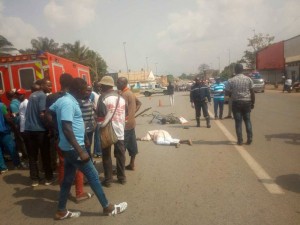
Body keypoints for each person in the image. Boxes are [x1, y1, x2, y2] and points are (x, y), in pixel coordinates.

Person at [49, 78, 127, 219]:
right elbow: (67, 128)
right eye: (85, 90)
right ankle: (107, 207)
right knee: (93, 177)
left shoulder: (64, 99)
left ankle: (61, 210)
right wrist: (80, 150)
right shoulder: (67, 102)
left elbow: (49, 113)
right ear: (78, 90)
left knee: (67, 179)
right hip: (74, 149)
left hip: (69, 148)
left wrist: (59, 130)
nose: (87, 92)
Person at [46, 74, 93, 203]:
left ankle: (64, 193)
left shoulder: (52, 97)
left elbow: (47, 115)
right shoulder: (72, 98)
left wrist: (56, 128)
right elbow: (76, 122)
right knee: (78, 165)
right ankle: (79, 193)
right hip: (73, 139)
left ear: (59, 82)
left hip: (59, 138)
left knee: (62, 165)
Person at [96, 76, 127, 187]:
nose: (100, 87)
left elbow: (100, 117)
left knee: (106, 155)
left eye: (101, 85)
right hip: (120, 129)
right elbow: (125, 114)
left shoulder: (103, 98)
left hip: (107, 130)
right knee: (120, 155)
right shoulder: (121, 98)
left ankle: (108, 180)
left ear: (104, 86)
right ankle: (122, 178)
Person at [24, 78, 54, 186]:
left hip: (28, 130)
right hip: (40, 131)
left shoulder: (32, 95)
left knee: (32, 156)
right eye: (48, 85)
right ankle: (49, 178)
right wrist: (50, 127)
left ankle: (35, 179)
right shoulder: (42, 96)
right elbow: (42, 114)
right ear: (42, 85)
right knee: (45, 154)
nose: (50, 87)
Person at [226, 64, 255, 145]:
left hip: (236, 103)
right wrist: (252, 103)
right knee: (247, 120)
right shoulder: (248, 79)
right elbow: (252, 92)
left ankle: (240, 140)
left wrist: (232, 93)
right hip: (247, 102)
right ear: (242, 70)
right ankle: (249, 138)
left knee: (238, 122)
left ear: (235, 70)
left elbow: (226, 92)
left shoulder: (231, 80)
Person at [117, 77, 142, 171]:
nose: (117, 84)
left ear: (123, 84)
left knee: (121, 148)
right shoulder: (130, 93)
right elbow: (139, 103)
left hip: (125, 125)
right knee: (132, 145)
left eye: (118, 83)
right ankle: (132, 164)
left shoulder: (124, 95)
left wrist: (130, 114)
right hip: (131, 123)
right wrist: (133, 113)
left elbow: (122, 110)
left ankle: (120, 169)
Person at [0, 100, 22, 173]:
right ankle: (17, 164)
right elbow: (7, 118)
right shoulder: (2, 106)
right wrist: (14, 127)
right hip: (4, 131)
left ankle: (3, 168)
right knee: (11, 147)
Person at [79, 85, 95, 157]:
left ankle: (89, 160)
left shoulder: (90, 99)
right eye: (87, 90)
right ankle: (87, 162)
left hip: (90, 127)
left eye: (90, 91)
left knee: (89, 145)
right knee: (85, 145)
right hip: (83, 128)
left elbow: (94, 110)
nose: (88, 92)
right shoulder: (79, 101)